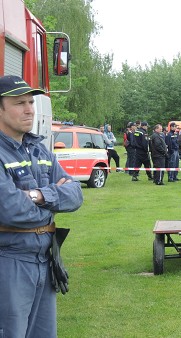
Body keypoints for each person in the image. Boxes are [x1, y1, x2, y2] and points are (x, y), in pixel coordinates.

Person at [0, 75, 84, 337]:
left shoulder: (39, 150)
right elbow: (11, 209)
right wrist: (54, 196)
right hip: (9, 262)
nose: (29, 109)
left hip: (44, 260)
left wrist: (36, 195)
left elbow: (76, 195)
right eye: (18, 103)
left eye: (30, 102)